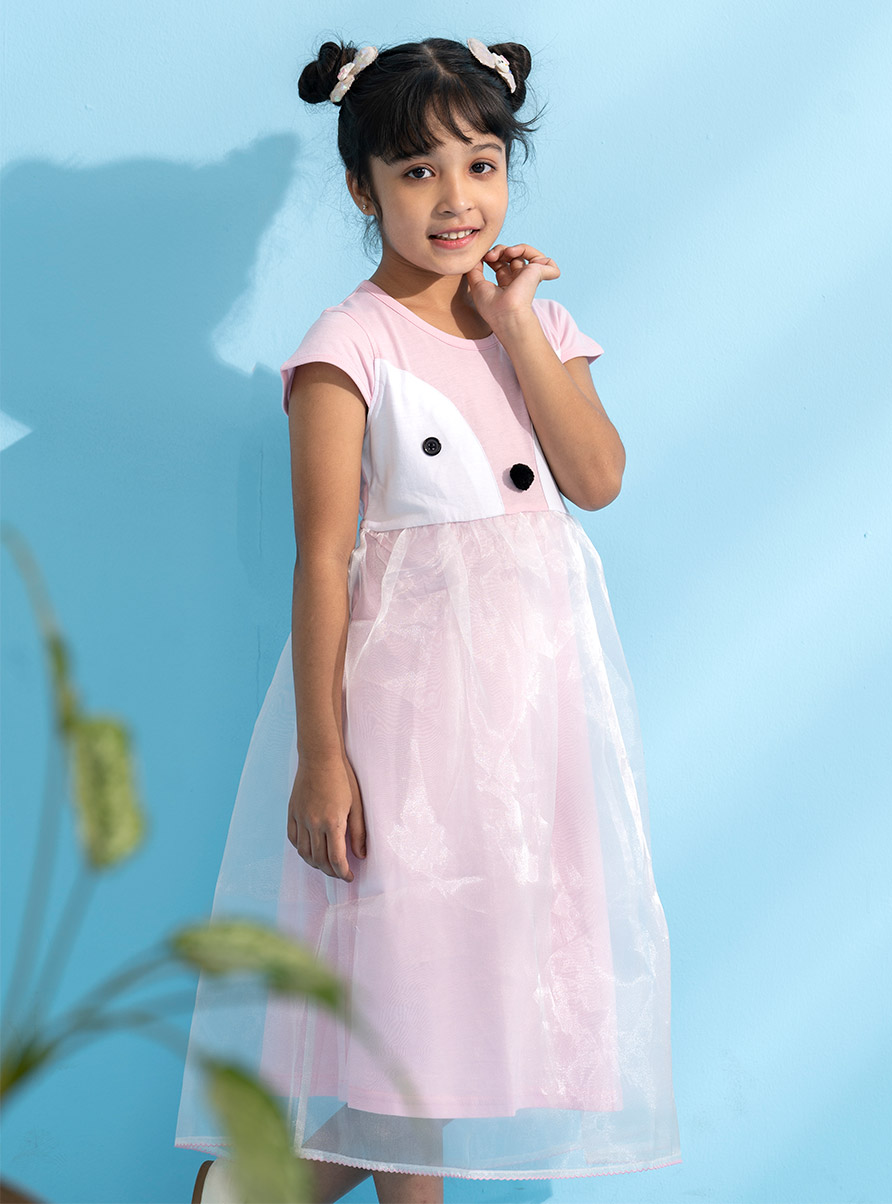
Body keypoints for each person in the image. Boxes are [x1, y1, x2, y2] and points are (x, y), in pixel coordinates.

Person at [176, 33, 682, 1204]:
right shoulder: (345, 348)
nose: (456, 198)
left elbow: (596, 477)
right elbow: (322, 558)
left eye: (480, 164)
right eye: (417, 172)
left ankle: (249, 1194)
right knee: (417, 1008)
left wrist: (517, 325)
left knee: (472, 1019)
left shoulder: (535, 327)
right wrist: (321, 758)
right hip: (412, 724)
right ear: (364, 190)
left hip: (532, 720)